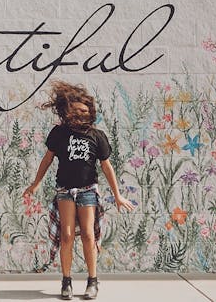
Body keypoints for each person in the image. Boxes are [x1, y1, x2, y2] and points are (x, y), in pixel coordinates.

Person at [23, 81, 135, 300]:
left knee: (87, 234)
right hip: (65, 190)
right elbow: (47, 159)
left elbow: (106, 166)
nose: (80, 114)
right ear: (67, 113)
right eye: (75, 111)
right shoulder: (59, 133)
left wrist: (117, 195)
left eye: (84, 111)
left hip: (87, 191)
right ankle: (66, 281)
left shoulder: (97, 135)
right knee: (66, 236)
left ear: (90, 112)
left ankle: (92, 281)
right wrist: (35, 183)